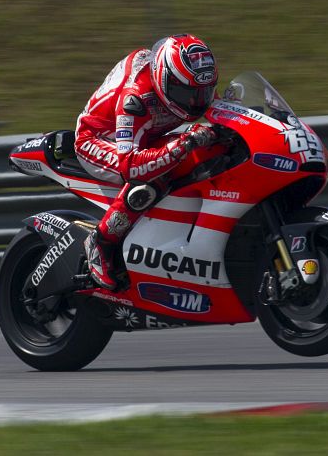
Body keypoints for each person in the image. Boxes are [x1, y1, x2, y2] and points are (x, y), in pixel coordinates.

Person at [74, 33, 219, 290]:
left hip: (148, 135)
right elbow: (130, 165)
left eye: (203, 92)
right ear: (165, 79)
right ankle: (101, 243)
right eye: (186, 93)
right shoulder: (136, 99)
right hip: (98, 140)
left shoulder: (192, 80)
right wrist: (182, 144)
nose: (196, 102)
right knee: (152, 177)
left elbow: (219, 112)